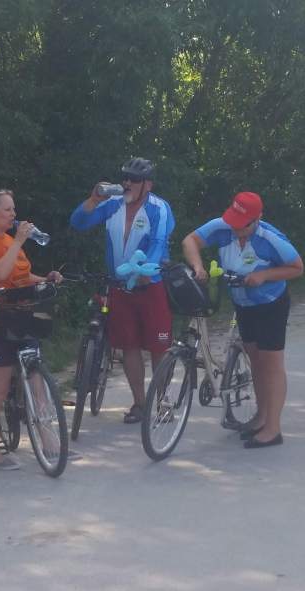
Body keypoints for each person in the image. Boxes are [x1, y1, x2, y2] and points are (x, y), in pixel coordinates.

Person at [182, 191, 304, 448]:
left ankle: (273, 429)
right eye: (233, 222)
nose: (236, 229)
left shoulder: (270, 239)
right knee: (256, 360)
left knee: (271, 364)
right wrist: (198, 266)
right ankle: (261, 416)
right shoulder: (223, 227)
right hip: (243, 304)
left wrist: (265, 275)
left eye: (242, 225)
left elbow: (297, 267)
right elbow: (190, 240)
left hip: (270, 304)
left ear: (257, 219)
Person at [69, 157, 175, 424]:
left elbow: (159, 242)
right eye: (124, 177)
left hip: (149, 285)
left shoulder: (159, 208)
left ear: (147, 185)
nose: (127, 183)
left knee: (158, 347)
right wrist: (93, 200)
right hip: (119, 287)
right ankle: (140, 403)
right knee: (129, 346)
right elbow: (78, 223)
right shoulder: (113, 204)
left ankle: (163, 401)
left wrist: (146, 270)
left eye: (134, 179)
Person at [0, 188, 63, 471]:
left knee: (37, 379)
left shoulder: (10, 240)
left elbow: (20, 275)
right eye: (7, 209)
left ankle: (50, 444)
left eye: (13, 209)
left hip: (21, 316)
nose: (13, 215)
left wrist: (45, 279)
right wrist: (19, 240)